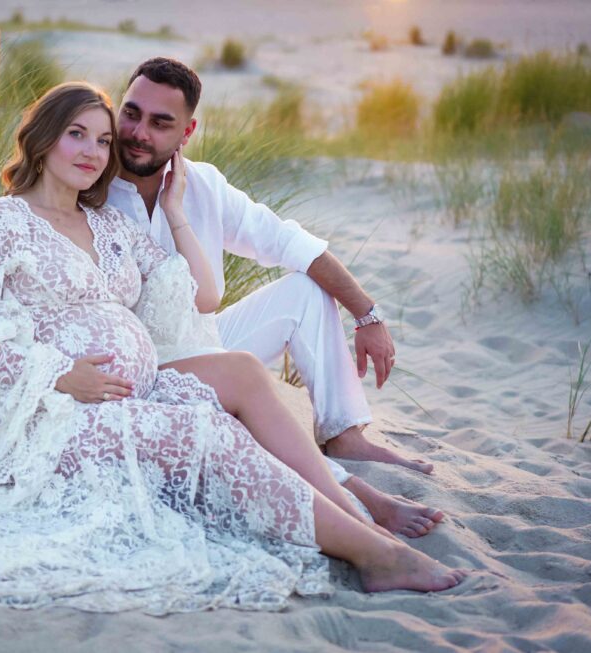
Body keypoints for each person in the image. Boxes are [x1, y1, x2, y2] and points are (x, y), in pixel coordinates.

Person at [0, 82, 466, 613]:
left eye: (102, 140)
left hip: (133, 391)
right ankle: (375, 555)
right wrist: (60, 375)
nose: (93, 152)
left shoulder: (108, 226)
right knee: (209, 431)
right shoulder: (1, 220)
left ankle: (357, 521)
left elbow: (204, 295)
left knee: (242, 371)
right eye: (77, 134)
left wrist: (175, 213)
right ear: (43, 137)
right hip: (57, 411)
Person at [106, 58, 435, 479]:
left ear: (187, 132)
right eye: (131, 113)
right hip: (133, 372)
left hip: (205, 346)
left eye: (160, 123)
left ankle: (344, 435)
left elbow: (289, 243)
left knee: (306, 290)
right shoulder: (89, 183)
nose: (138, 132)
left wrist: (367, 314)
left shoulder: (204, 186)